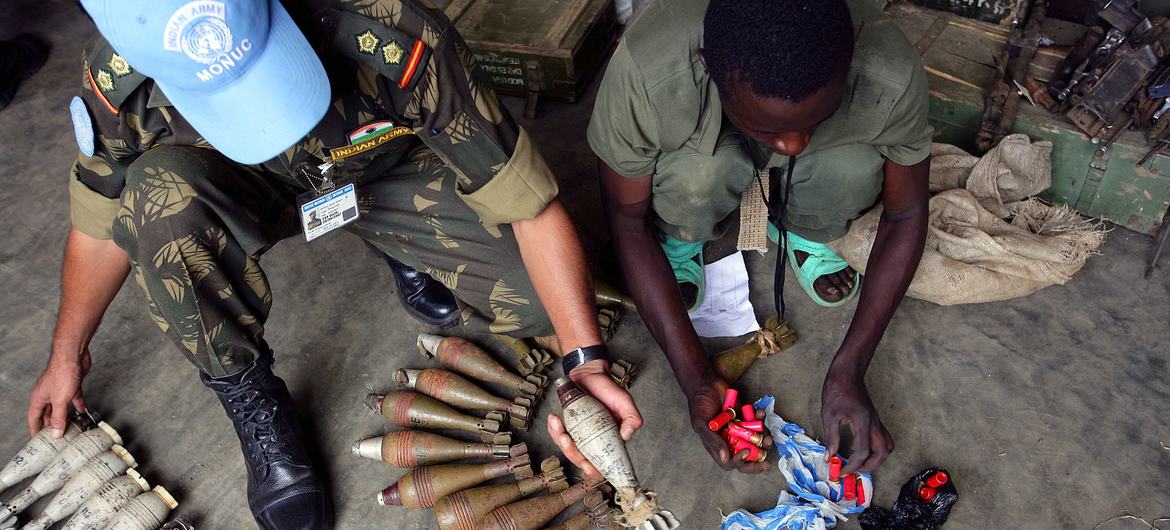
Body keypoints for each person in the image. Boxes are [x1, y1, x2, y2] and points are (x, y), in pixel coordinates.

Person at [28, 0, 640, 528]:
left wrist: (584, 362)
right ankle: (251, 396)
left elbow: (531, 208)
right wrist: (66, 354)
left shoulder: (390, 31)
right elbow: (98, 226)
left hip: (382, 170)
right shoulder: (122, 74)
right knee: (154, 207)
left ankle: (395, 240)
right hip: (248, 194)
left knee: (544, 302)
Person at [583, 0, 932, 476]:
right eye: (768, 127)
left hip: (814, 140)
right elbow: (626, 219)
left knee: (848, 170)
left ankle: (806, 224)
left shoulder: (889, 66)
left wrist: (850, 367)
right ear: (708, 66)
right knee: (696, 180)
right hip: (698, 153)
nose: (793, 145)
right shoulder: (651, 71)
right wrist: (696, 379)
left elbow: (907, 213)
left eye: (815, 118)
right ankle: (685, 234)